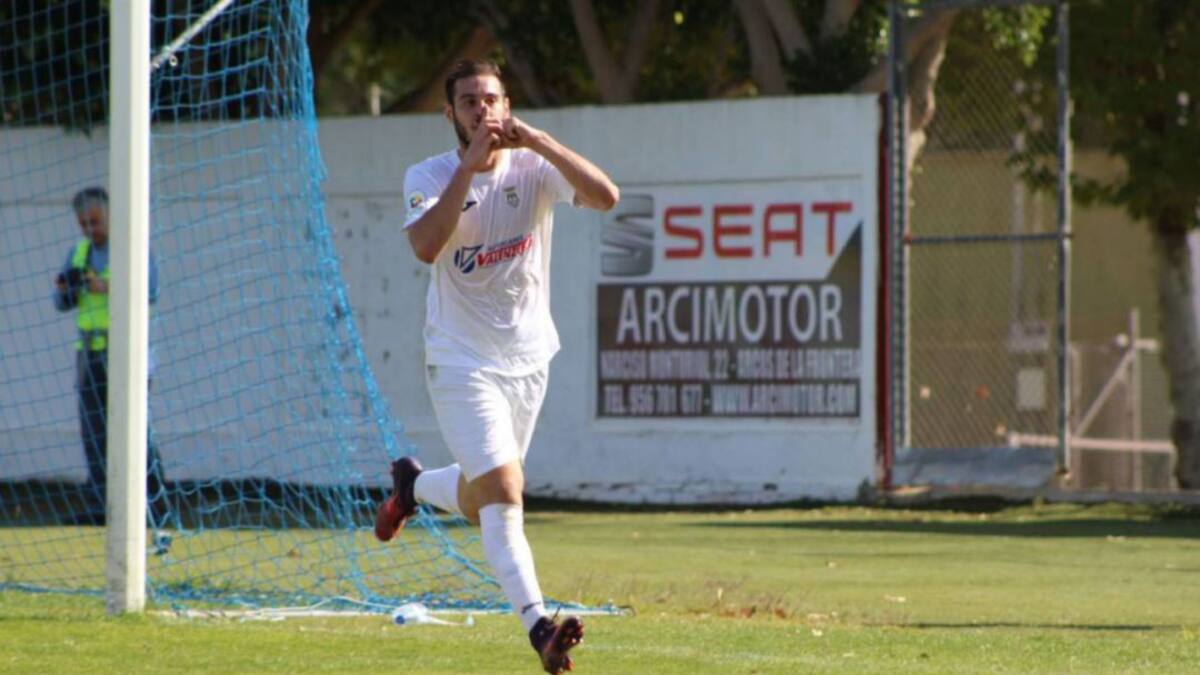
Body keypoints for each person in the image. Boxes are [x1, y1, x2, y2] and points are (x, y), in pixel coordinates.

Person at [374, 60, 619, 674]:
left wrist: (539, 141)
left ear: (507, 105)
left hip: (528, 360)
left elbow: (605, 196)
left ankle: (412, 486)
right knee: (505, 492)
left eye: (492, 100)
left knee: (481, 495)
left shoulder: (534, 165)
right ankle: (540, 628)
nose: (482, 111)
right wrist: (469, 170)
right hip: (460, 360)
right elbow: (425, 246)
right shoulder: (430, 174)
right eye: (469, 102)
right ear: (450, 114)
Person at [54, 186, 172, 552]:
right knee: (94, 433)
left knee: (136, 431)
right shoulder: (78, 253)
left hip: (126, 352)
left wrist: (104, 285)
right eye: (83, 223)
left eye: (95, 221)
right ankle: (100, 506)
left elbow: (150, 291)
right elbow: (60, 301)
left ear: (111, 216)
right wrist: (68, 287)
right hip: (89, 353)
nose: (90, 229)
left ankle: (156, 508)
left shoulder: (133, 248)